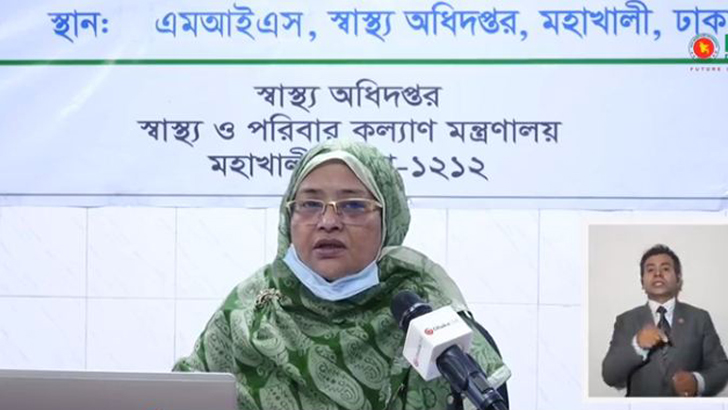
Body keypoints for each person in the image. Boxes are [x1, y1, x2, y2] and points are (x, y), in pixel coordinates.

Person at [174, 140, 511, 410]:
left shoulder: (426, 313)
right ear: (288, 219)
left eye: (353, 205)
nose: (328, 222)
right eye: (310, 204)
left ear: (388, 219)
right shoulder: (248, 312)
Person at [601, 244, 728, 397]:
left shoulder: (700, 318)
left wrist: (697, 382)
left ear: (678, 279)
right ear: (642, 281)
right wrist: (637, 345)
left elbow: (721, 367)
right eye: (650, 270)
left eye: (666, 268)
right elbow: (610, 376)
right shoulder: (626, 321)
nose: (658, 274)